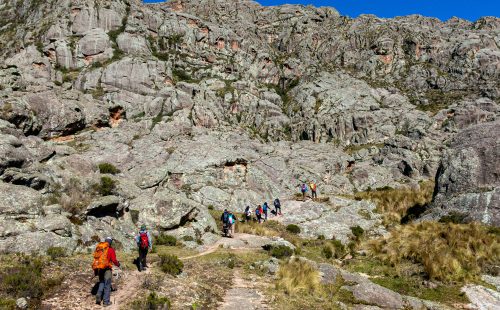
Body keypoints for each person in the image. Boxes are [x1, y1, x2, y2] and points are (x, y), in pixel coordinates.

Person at [93, 237, 120, 307]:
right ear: (110, 242)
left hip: (100, 268)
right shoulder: (111, 250)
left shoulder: (100, 248)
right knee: (107, 285)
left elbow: (96, 258)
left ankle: (98, 295)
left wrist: (95, 271)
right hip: (107, 269)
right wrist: (118, 264)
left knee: (101, 282)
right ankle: (106, 302)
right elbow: (114, 260)